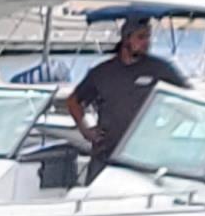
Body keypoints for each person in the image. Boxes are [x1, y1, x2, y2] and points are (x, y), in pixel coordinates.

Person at [63, 13, 183, 170]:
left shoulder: (160, 69)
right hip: (105, 155)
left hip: (143, 157)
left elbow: (188, 99)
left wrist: (167, 129)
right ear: (126, 38)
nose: (146, 42)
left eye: (148, 37)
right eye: (141, 37)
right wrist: (86, 130)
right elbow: (73, 102)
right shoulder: (102, 72)